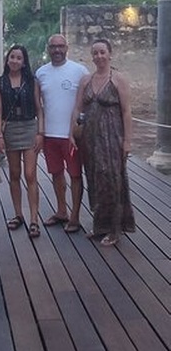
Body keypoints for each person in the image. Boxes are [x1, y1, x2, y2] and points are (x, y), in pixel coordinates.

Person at [70, 38, 135, 246]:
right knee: (95, 180)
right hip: (89, 138)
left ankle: (115, 228)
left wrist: (127, 141)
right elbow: (78, 108)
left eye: (102, 52)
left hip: (112, 138)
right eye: (95, 53)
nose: (99, 56)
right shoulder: (86, 80)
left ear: (110, 54)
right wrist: (72, 133)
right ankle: (100, 225)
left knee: (113, 181)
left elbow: (126, 112)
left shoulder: (118, 79)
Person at [35, 34, 89, 233]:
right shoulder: (41, 73)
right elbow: (39, 106)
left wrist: (79, 128)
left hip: (71, 136)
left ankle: (75, 216)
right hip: (50, 134)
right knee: (56, 173)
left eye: (60, 46)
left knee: (75, 175)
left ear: (67, 47)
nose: (57, 50)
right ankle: (61, 211)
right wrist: (40, 131)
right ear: (48, 49)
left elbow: (87, 103)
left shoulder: (80, 71)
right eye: (53, 47)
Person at [0, 45, 44, 238]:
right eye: (12, 57)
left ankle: (34, 219)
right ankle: (18, 214)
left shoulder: (32, 81)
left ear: (24, 62)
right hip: (10, 129)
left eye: (19, 58)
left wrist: (40, 133)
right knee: (14, 174)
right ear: (7, 60)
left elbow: (39, 108)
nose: (15, 60)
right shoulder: (0, 82)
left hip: (29, 127)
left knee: (30, 174)